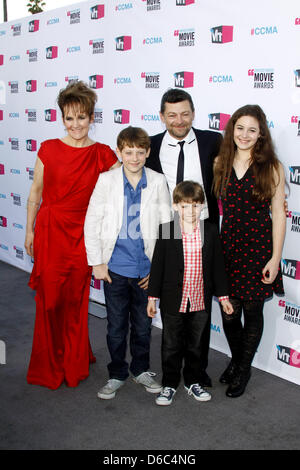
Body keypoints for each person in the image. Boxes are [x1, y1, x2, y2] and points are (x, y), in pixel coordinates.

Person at [25, 81, 120, 390]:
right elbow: (35, 193)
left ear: (92, 118)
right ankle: (49, 361)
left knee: (75, 300)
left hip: (82, 236)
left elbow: (128, 182)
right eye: (69, 118)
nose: (76, 124)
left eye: (82, 117)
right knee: (50, 301)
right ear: (62, 118)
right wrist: (29, 229)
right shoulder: (48, 149)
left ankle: (73, 360)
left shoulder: (103, 154)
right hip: (50, 232)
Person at [84, 126, 172, 400]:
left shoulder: (158, 181)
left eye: (140, 152)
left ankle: (141, 369)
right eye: (128, 152)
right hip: (115, 270)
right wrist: (97, 263)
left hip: (146, 271)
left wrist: (158, 270)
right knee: (116, 326)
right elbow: (92, 222)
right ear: (119, 152)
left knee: (144, 327)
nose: (134, 158)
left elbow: (169, 227)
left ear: (147, 153)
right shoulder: (106, 180)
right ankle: (117, 372)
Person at [145, 88, 222, 387]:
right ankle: (171, 376)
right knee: (174, 307)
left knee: (200, 305)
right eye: (172, 115)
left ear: (193, 113)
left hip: (202, 226)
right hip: (168, 229)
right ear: (162, 116)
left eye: (185, 113)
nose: (179, 120)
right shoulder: (150, 145)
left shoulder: (212, 141)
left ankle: (197, 372)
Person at [213, 104, 286, 398]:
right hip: (228, 246)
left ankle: (242, 370)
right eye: (239, 128)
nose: (244, 135)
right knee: (229, 312)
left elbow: (279, 215)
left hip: (258, 248)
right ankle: (239, 360)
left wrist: (276, 258)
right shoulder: (220, 161)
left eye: (251, 130)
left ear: (261, 134)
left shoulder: (273, 167)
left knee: (253, 312)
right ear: (232, 130)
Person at [147, 181, 233, 406]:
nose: (190, 211)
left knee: (197, 344)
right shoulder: (167, 229)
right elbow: (157, 266)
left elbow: (218, 268)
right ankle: (169, 383)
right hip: (172, 300)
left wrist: (223, 298)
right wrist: (152, 298)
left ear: (202, 206)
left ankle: (193, 380)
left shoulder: (211, 231)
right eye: (185, 206)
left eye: (195, 206)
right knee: (171, 344)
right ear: (176, 206)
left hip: (200, 300)